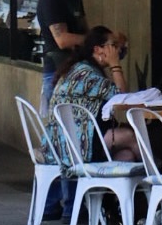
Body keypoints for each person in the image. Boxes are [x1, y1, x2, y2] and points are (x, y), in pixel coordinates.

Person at [46, 26, 140, 174]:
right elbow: (120, 96)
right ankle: (159, 177)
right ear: (98, 50)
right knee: (130, 136)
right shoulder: (87, 74)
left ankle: (111, 196)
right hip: (75, 143)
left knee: (127, 156)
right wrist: (115, 64)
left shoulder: (81, 68)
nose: (117, 50)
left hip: (67, 141)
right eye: (113, 46)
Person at [36, 0, 104, 116]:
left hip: (76, 70)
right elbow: (62, 39)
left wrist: (101, 40)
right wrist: (98, 40)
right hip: (56, 74)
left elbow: (85, 30)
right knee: (62, 128)